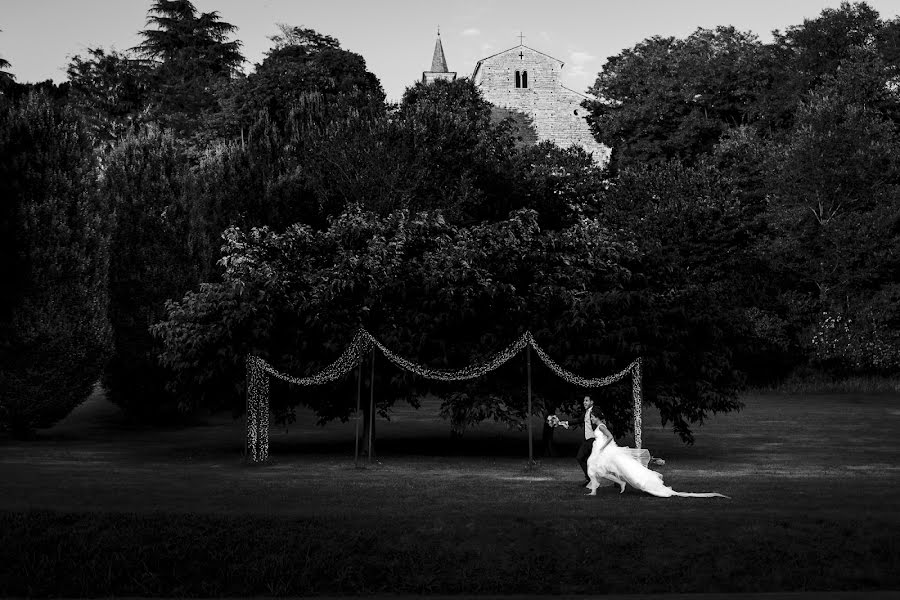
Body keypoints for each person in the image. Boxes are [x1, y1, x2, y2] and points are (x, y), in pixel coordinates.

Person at [585, 420, 729, 499]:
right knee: (596, 468)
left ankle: (626, 483)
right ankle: (610, 485)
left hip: (607, 452)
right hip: (602, 452)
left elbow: (610, 438)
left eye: (592, 417)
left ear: (596, 417)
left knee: (622, 468)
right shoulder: (598, 426)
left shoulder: (601, 426)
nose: (591, 419)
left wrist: (602, 448)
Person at [550, 395, 605, 486]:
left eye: (587, 400)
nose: (584, 402)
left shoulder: (595, 410)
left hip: (594, 439)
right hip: (587, 440)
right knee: (581, 458)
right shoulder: (586, 412)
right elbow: (579, 420)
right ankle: (589, 479)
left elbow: (602, 420)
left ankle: (613, 480)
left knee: (600, 461)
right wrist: (563, 423)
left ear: (592, 402)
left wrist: (601, 434)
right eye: (584, 401)